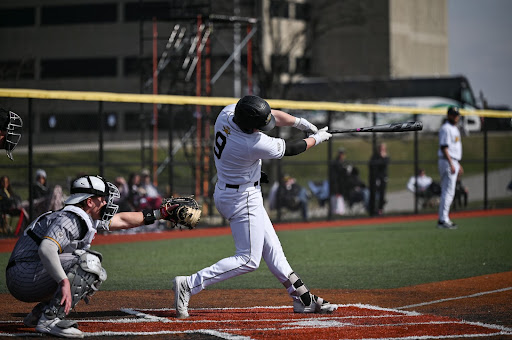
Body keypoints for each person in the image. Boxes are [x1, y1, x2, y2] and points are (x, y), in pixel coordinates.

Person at [172, 95, 336, 319]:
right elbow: (291, 148)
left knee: (274, 253)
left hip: (233, 189)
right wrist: (317, 138)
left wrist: (300, 123)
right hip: (242, 199)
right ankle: (189, 284)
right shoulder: (252, 142)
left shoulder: (228, 113)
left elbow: (271, 116)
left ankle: (303, 298)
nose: (264, 127)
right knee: (248, 259)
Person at [5, 175, 179, 338]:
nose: (105, 201)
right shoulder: (71, 218)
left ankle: (40, 313)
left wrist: (160, 214)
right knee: (89, 263)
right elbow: (46, 249)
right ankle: (50, 320)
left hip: (27, 271)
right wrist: (63, 281)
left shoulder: (84, 215)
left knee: (94, 270)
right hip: (24, 273)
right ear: (89, 201)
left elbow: (122, 220)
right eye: (102, 198)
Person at [437, 107, 463, 229]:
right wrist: (452, 163)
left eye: (457, 115)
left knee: (447, 192)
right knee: (448, 192)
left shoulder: (454, 128)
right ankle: (443, 219)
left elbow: (453, 148)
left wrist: (457, 164)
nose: (456, 117)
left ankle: (443, 219)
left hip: (452, 161)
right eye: (454, 115)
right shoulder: (446, 128)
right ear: (449, 116)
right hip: (448, 161)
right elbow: (444, 147)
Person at [368, 143, 389, 215]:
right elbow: (372, 166)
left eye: (383, 148)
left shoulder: (385, 157)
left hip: (382, 178)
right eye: (380, 148)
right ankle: (372, 210)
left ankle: (380, 210)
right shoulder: (374, 157)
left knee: (382, 195)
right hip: (375, 179)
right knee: (373, 194)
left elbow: (385, 164)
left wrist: (383, 157)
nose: (381, 150)